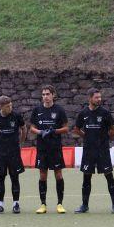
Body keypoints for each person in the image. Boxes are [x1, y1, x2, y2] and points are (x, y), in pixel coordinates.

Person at [73, 88, 114, 214]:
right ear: (90, 98)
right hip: (89, 151)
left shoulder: (105, 112)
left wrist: (106, 138)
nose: (99, 99)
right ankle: (84, 205)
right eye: (96, 97)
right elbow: (76, 129)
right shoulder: (83, 113)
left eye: (100, 97)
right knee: (86, 178)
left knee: (109, 176)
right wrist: (86, 136)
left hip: (102, 150)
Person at [30, 85, 70, 214]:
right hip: (42, 148)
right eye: (43, 94)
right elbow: (32, 128)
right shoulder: (37, 110)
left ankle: (60, 204)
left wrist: (54, 131)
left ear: (53, 95)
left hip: (55, 148)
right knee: (42, 175)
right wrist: (40, 132)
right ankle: (43, 204)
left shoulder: (59, 110)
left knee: (58, 174)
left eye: (47, 94)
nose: (45, 97)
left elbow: (66, 128)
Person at [0, 96, 27, 214]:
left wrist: (21, 144)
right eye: (7, 106)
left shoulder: (16, 116)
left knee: (14, 177)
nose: (10, 108)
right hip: (0, 153)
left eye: (11, 105)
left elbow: (24, 128)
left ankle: (16, 204)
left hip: (14, 152)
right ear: (0, 106)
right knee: (0, 178)